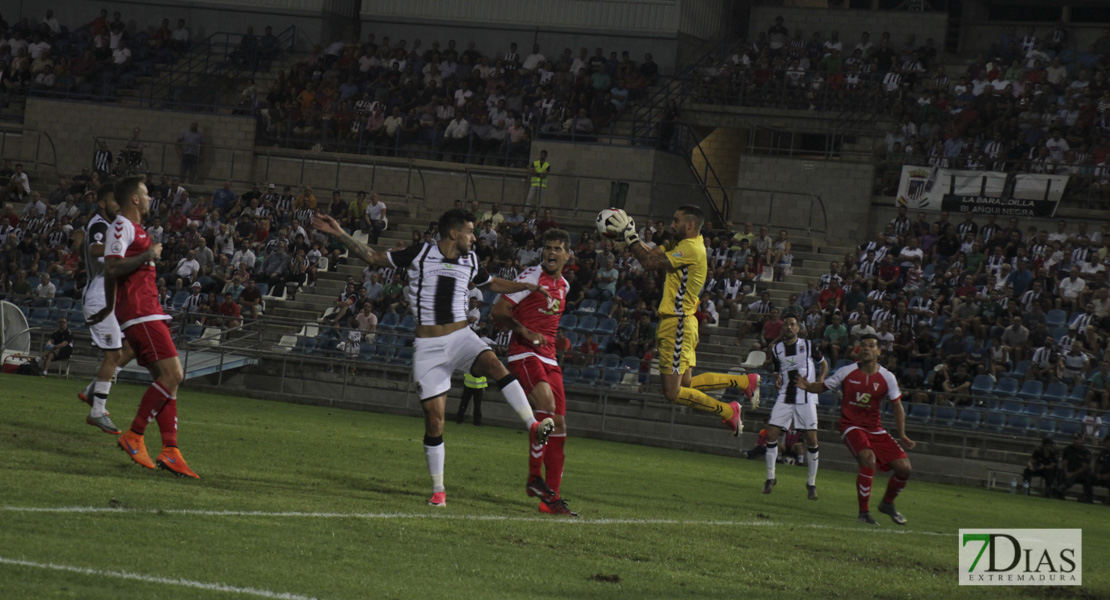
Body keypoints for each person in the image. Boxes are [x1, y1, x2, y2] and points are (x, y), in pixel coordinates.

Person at [315, 210, 556, 507]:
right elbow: (373, 258)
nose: (474, 237)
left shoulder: (471, 260)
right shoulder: (421, 252)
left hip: (461, 337)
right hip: (429, 346)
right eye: (470, 231)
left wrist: (526, 286)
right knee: (435, 421)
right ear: (453, 233)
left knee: (494, 363)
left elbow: (490, 283)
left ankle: (532, 424)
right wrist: (339, 233)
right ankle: (439, 491)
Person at [607, 205, 759, 436]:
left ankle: (728, 412)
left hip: (677, 324)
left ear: (689, 225)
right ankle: (744, 382)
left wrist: (630, 236)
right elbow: (652, 253)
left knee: (672, 393)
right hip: (681, 322)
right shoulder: (684, 243)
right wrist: (629, 243)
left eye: (676, 221)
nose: (672, 224)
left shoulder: (690, 249)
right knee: (686, 386)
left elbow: (649, 264)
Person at [92, 176, 199, 478]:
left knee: (168, 382)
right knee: (174, 374)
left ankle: (171, 450)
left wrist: (111, 306)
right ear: (135, 200)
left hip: (143, 311)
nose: (151, 198)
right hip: (142, 313)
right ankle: (135, 435)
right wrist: (148, 255)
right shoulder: (122, 226)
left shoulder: (134, 229)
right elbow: (112, 267)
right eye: (146, 194)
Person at [492, 227, 578, 516]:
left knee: (561, 425)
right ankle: (533, 477)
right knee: (547, 406)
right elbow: (499, 311)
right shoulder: (530, 277)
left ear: (568, 255)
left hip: (550, 358)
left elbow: (549, 325)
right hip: (525, 353)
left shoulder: (564, 286)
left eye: (558, 249)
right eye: (548, 248)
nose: (551, 253)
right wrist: (524, 331)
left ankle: (550, 497)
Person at [797, 334, 915, 525]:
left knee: (904, 468)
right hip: (851, 425)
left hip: (875, 428)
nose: (867, 348)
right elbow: (824, 386)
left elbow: (897, 405)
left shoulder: (887, 377)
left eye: (871, 345)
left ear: (879, 351)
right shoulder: (846, 372)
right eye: (863, 345)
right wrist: (808, 386)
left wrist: (902, 434)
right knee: (868, 459)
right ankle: (864, 512)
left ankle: (887, 504)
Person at [73, 183, 135, 435]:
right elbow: (94, 249)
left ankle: (91, 390)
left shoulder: (109, 226)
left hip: (111, 297)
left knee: (131, 347)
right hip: (99, 298)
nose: (118, 206)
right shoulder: (99, 224)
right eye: (114, 201)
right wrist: (125, 250)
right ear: (102, 203)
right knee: (112, 355)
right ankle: (97, 410)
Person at [764, 312, 827, 499]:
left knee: (812, 440)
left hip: (806, 396)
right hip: (785, 396)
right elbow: (777, 371)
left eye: (793, 324)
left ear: (798, 328)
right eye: (786, 325)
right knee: (771, 434)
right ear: (782, 328)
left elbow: (823, 364)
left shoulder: (808, 345)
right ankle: (770, 477)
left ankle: (811, 483)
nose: (789, 327)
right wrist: (777, 380)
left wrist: (821, 381)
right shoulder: (776, 349)